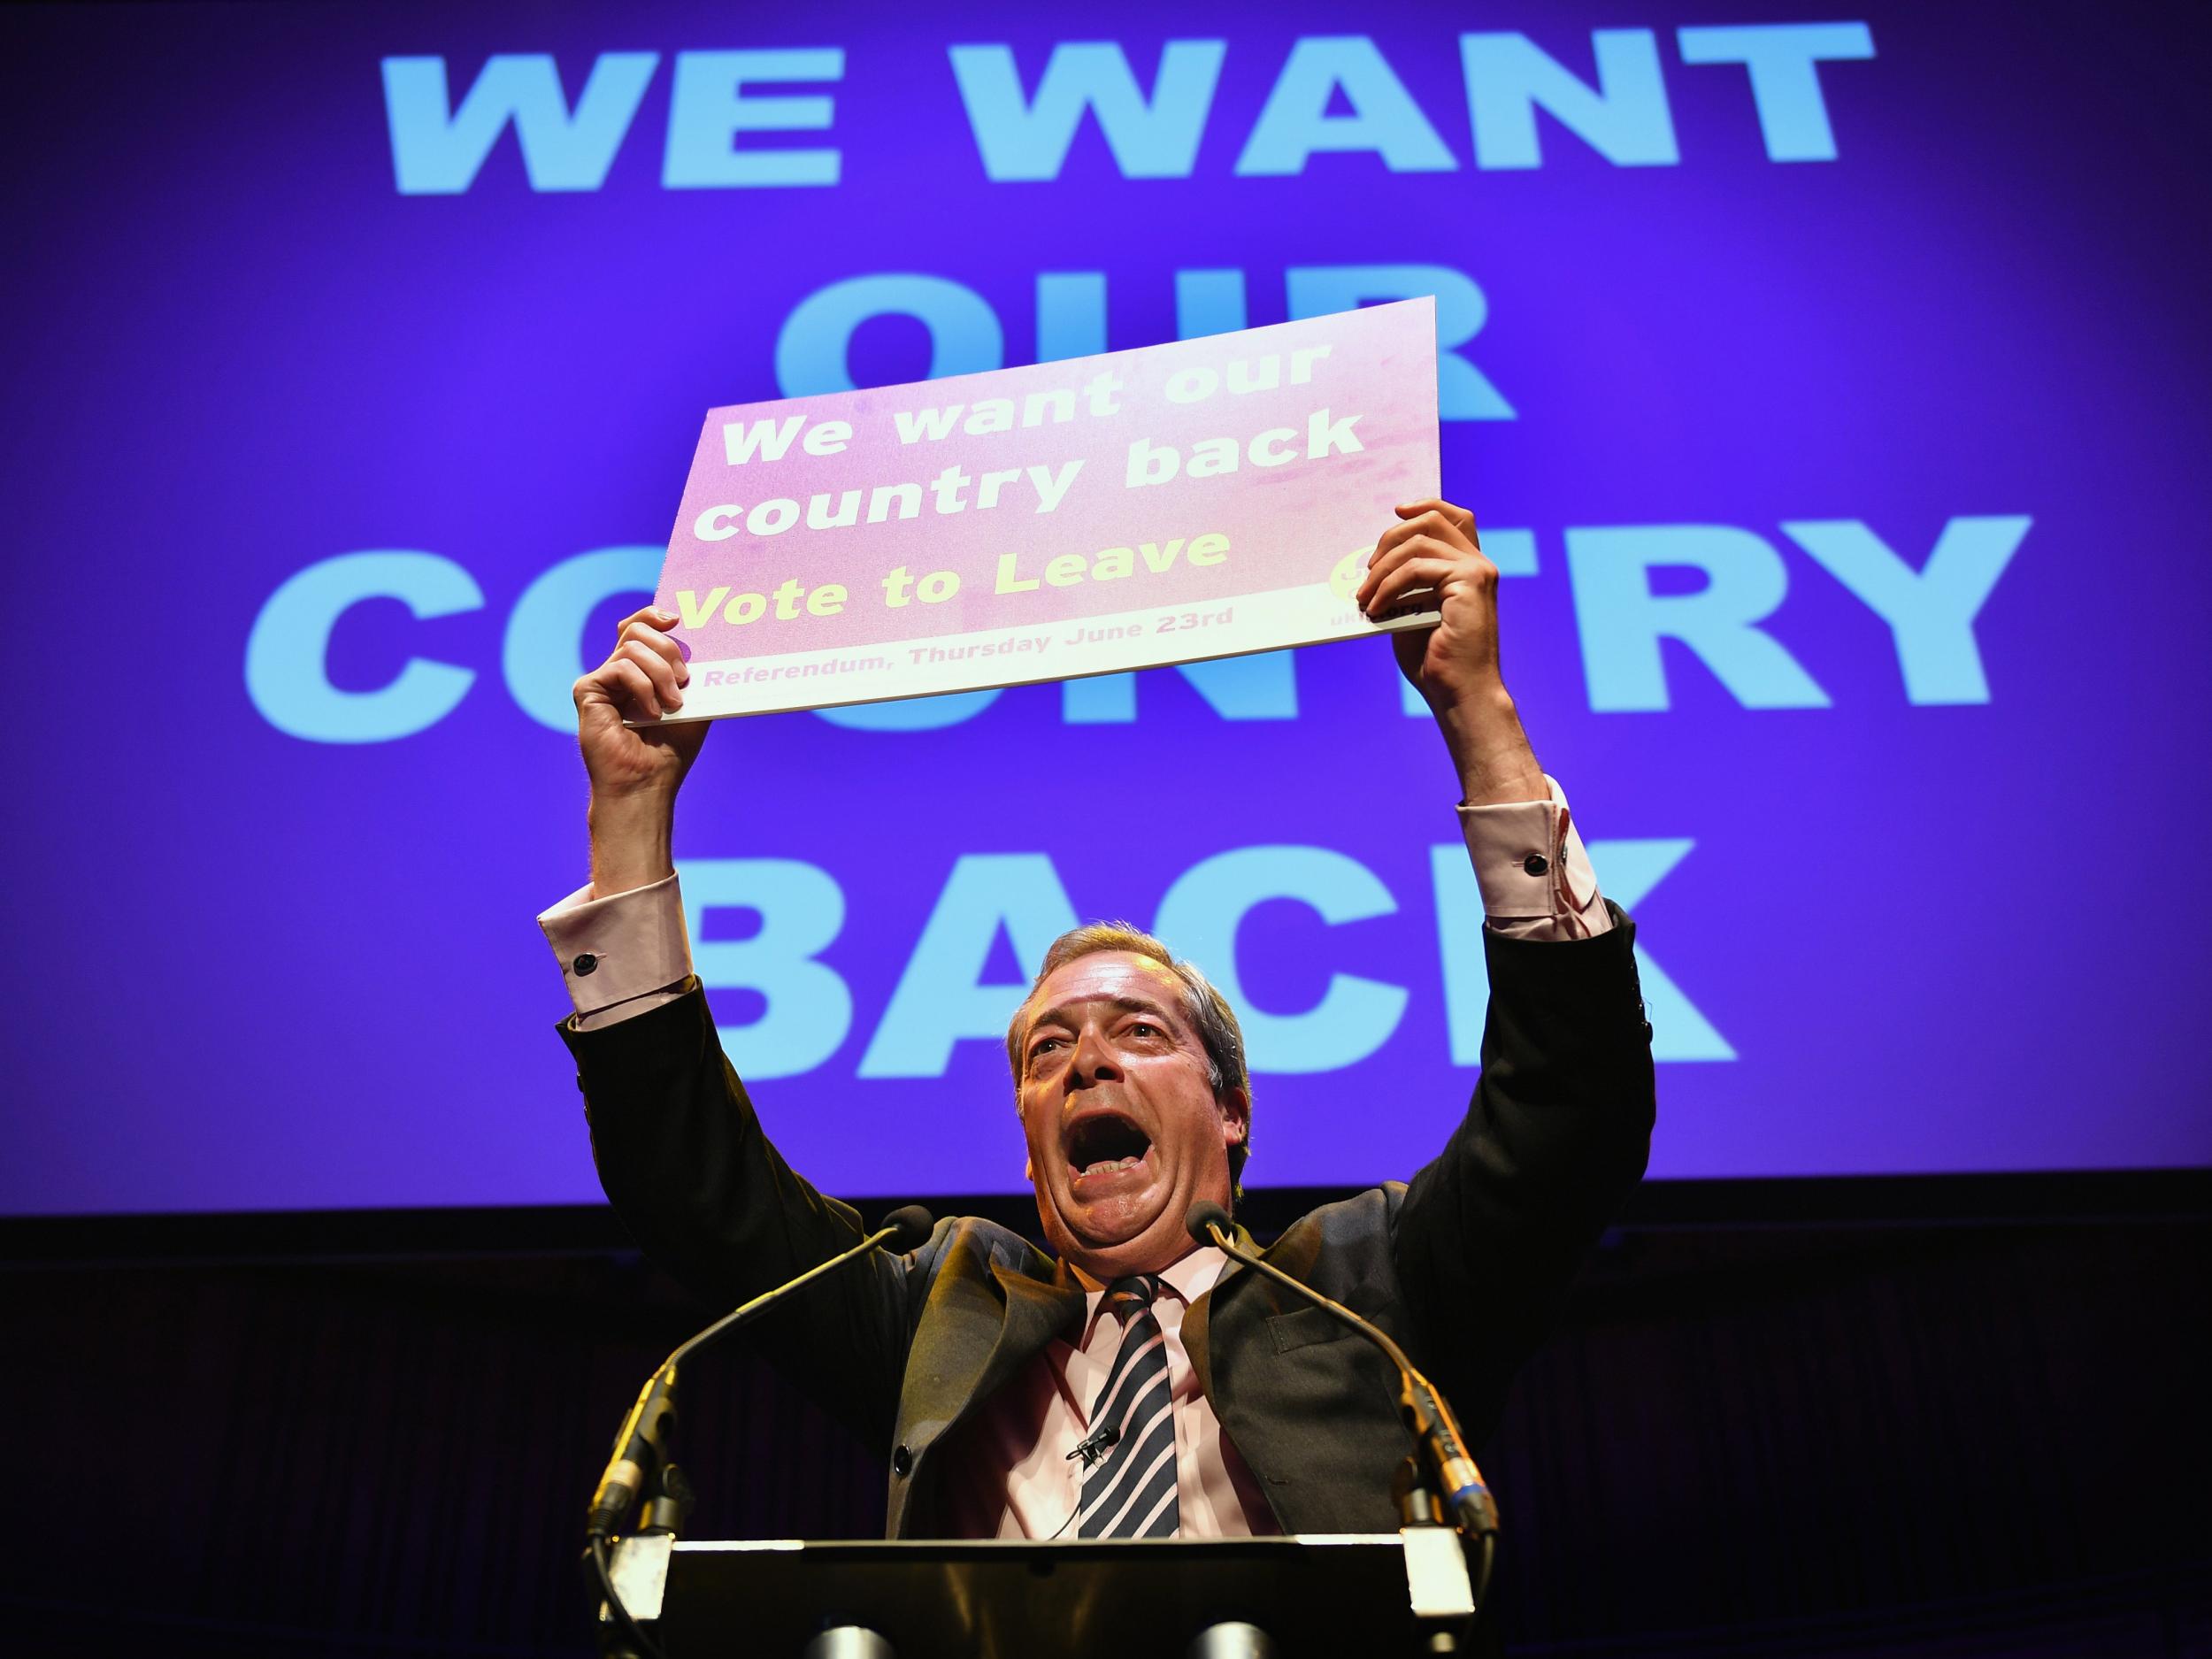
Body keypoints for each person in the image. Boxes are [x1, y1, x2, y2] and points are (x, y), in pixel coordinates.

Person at [540, 499, 1655, 1542]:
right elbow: (689, 1180)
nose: (1084, 1066)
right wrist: (629, 813)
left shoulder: (1375, 1288)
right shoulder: (938, 1313)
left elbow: (1570, 1103)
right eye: (1048, 1049)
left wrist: (1479, 711)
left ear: (1230, 1111)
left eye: (1139, 1032)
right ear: (1030, 1149)